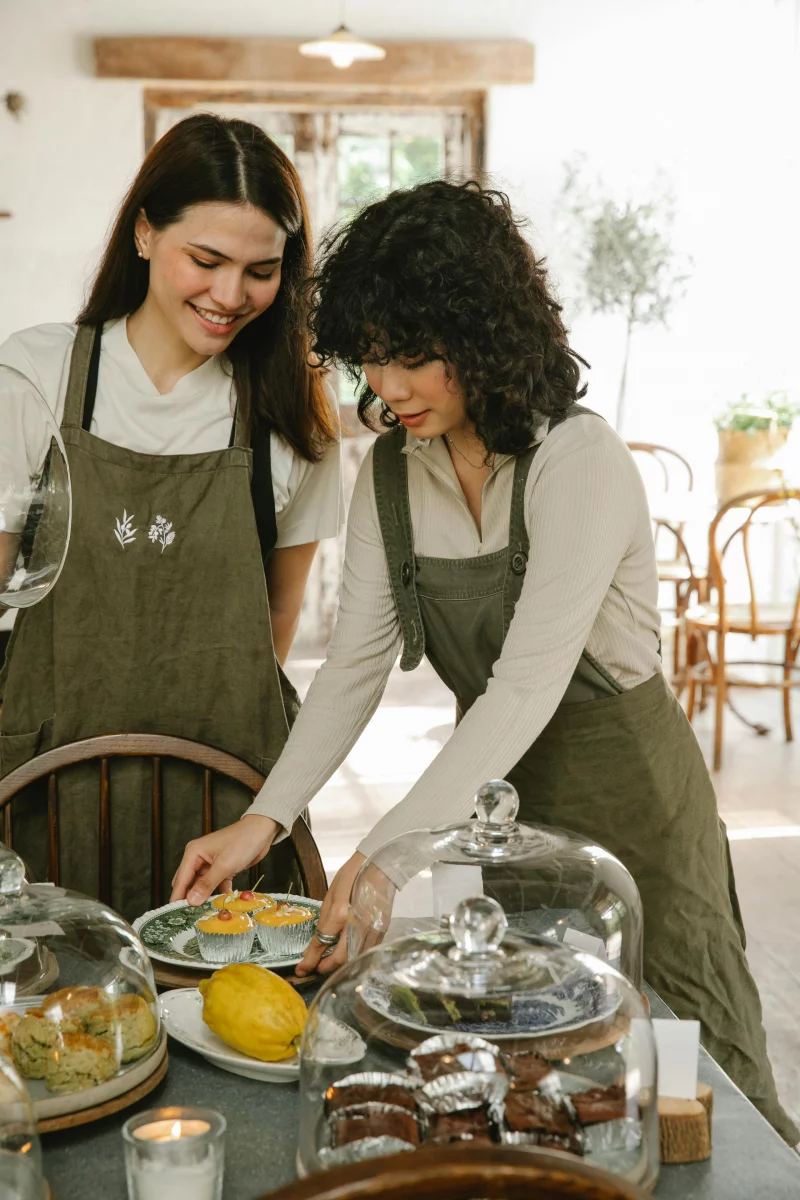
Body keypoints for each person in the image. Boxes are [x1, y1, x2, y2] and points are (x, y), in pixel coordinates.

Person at [172, 180, 797, 1144]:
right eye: (372, 357)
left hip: (638, 811)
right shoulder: (387, 471)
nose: (389, 388)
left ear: (486, 336)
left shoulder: (577, 461)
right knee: (542, 1072)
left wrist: (385, 856)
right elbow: (353, 668)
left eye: (416, 357)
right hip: (500, 813)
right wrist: (266, 818)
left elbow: (523, 690)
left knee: (687, 1071)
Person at [0, 114, 341, 919]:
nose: (231, 297)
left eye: (261, 271)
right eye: (207, 260)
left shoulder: (291, 420)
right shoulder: (37, 375)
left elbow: (277, 621)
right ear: (145, 233)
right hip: (42, 784)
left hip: (226, 799)